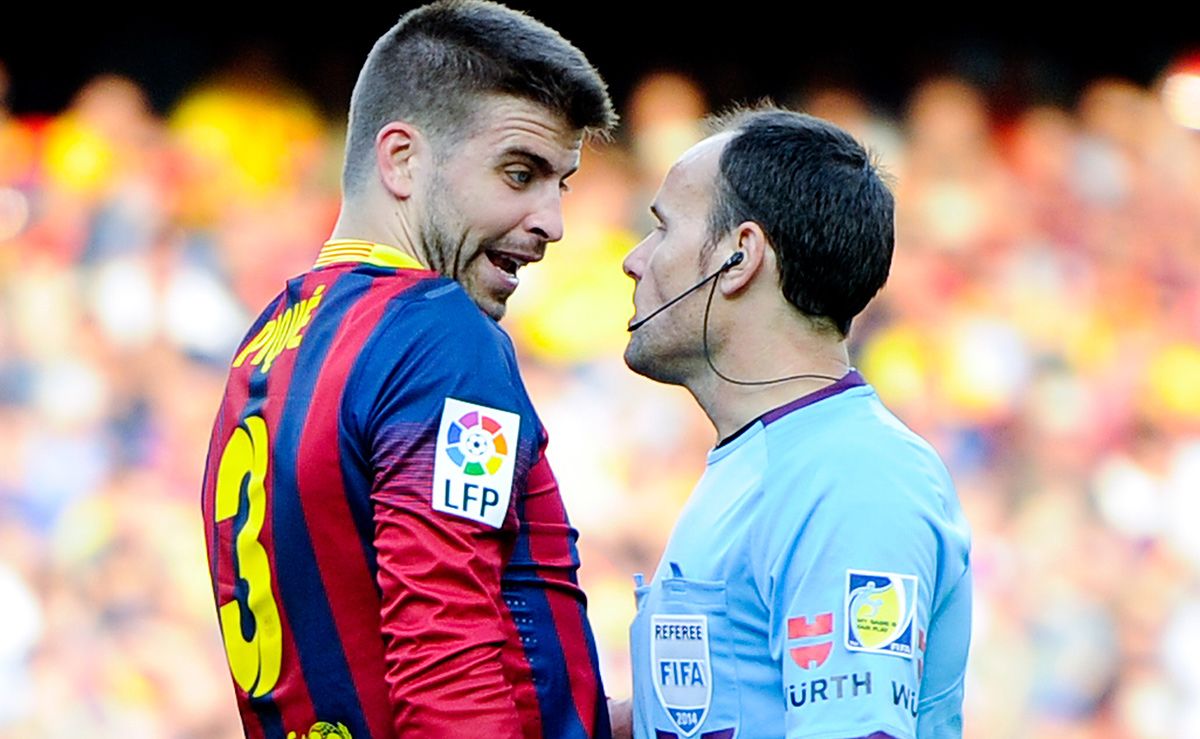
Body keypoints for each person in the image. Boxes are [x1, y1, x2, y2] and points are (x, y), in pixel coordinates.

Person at [199, 3, 617, 737]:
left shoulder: (271, 337)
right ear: (400, 159)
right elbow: (446, 647)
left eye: (562, 184)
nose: (553, 221)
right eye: (519, 173)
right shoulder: (437, 334)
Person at [618, 108, 972, 739]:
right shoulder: (774, 460)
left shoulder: (853, 477)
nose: (635, 261)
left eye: (661, 230)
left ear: (739, 256)